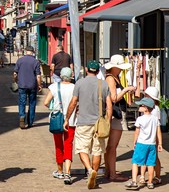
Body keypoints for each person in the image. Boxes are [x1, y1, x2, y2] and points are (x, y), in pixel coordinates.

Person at [63, 60, 112, 190]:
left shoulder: (79, 83)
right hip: (99, 123)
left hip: (83, 122)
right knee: (97, 150)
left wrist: (67, 118)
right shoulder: (104, 84)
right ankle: (94, 176)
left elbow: (73, 102)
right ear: (98, 71)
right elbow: (109, 105)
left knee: (81, 148)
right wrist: (108, 122)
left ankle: (90, 170)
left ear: (86, 69)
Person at [104, 54, 135, 182]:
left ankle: (109, 171)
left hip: (116, 114)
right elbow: (114, 98)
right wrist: (126, 89)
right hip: (116, 115)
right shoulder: (111, 79)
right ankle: (112, 174)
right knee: (113, 146)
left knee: (111, 146)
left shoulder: (114, 77)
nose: (122, 69)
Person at [43, 67, 76, 185]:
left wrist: (54, 108)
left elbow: (46, 102)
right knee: (68, 144)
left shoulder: (54, 87)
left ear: (61, 76)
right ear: (71, 76)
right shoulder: (74, 87)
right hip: (71, 120)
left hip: (57, 119)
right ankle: (68, 172)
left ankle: (60, 170)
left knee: (58, 145)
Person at [124, 97, 162, 190]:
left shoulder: (140, 119)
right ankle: (149, 182)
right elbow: (158, 132)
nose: (139, 106)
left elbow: (137, 131)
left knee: (135, 162)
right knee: (151, 164)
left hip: (141, 143)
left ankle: (134, 181)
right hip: (152, 144)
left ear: (146, 108)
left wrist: (134, 141)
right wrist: (160, 143)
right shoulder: (155, 119)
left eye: (141, 105)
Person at [14, 46, 42, 129]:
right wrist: (39, 85)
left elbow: (15, 73)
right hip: (32, 85)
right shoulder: (36, 62)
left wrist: (16, 81)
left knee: (22, 102)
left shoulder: (20, 60)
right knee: (32, 103)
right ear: (32, 52)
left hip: (22, 84)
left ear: (26, 51)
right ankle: (30, 121)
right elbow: (38, 76)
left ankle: (22, 117)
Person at [140, 87, 162, 185]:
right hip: (146, 136)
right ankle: (145, 176)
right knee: (146, 157)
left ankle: (157, 176)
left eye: (146, 95)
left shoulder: (155, 109)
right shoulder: (148, 107)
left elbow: (155, 125)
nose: (144, 96)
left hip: (152, 136)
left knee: (154, 158)